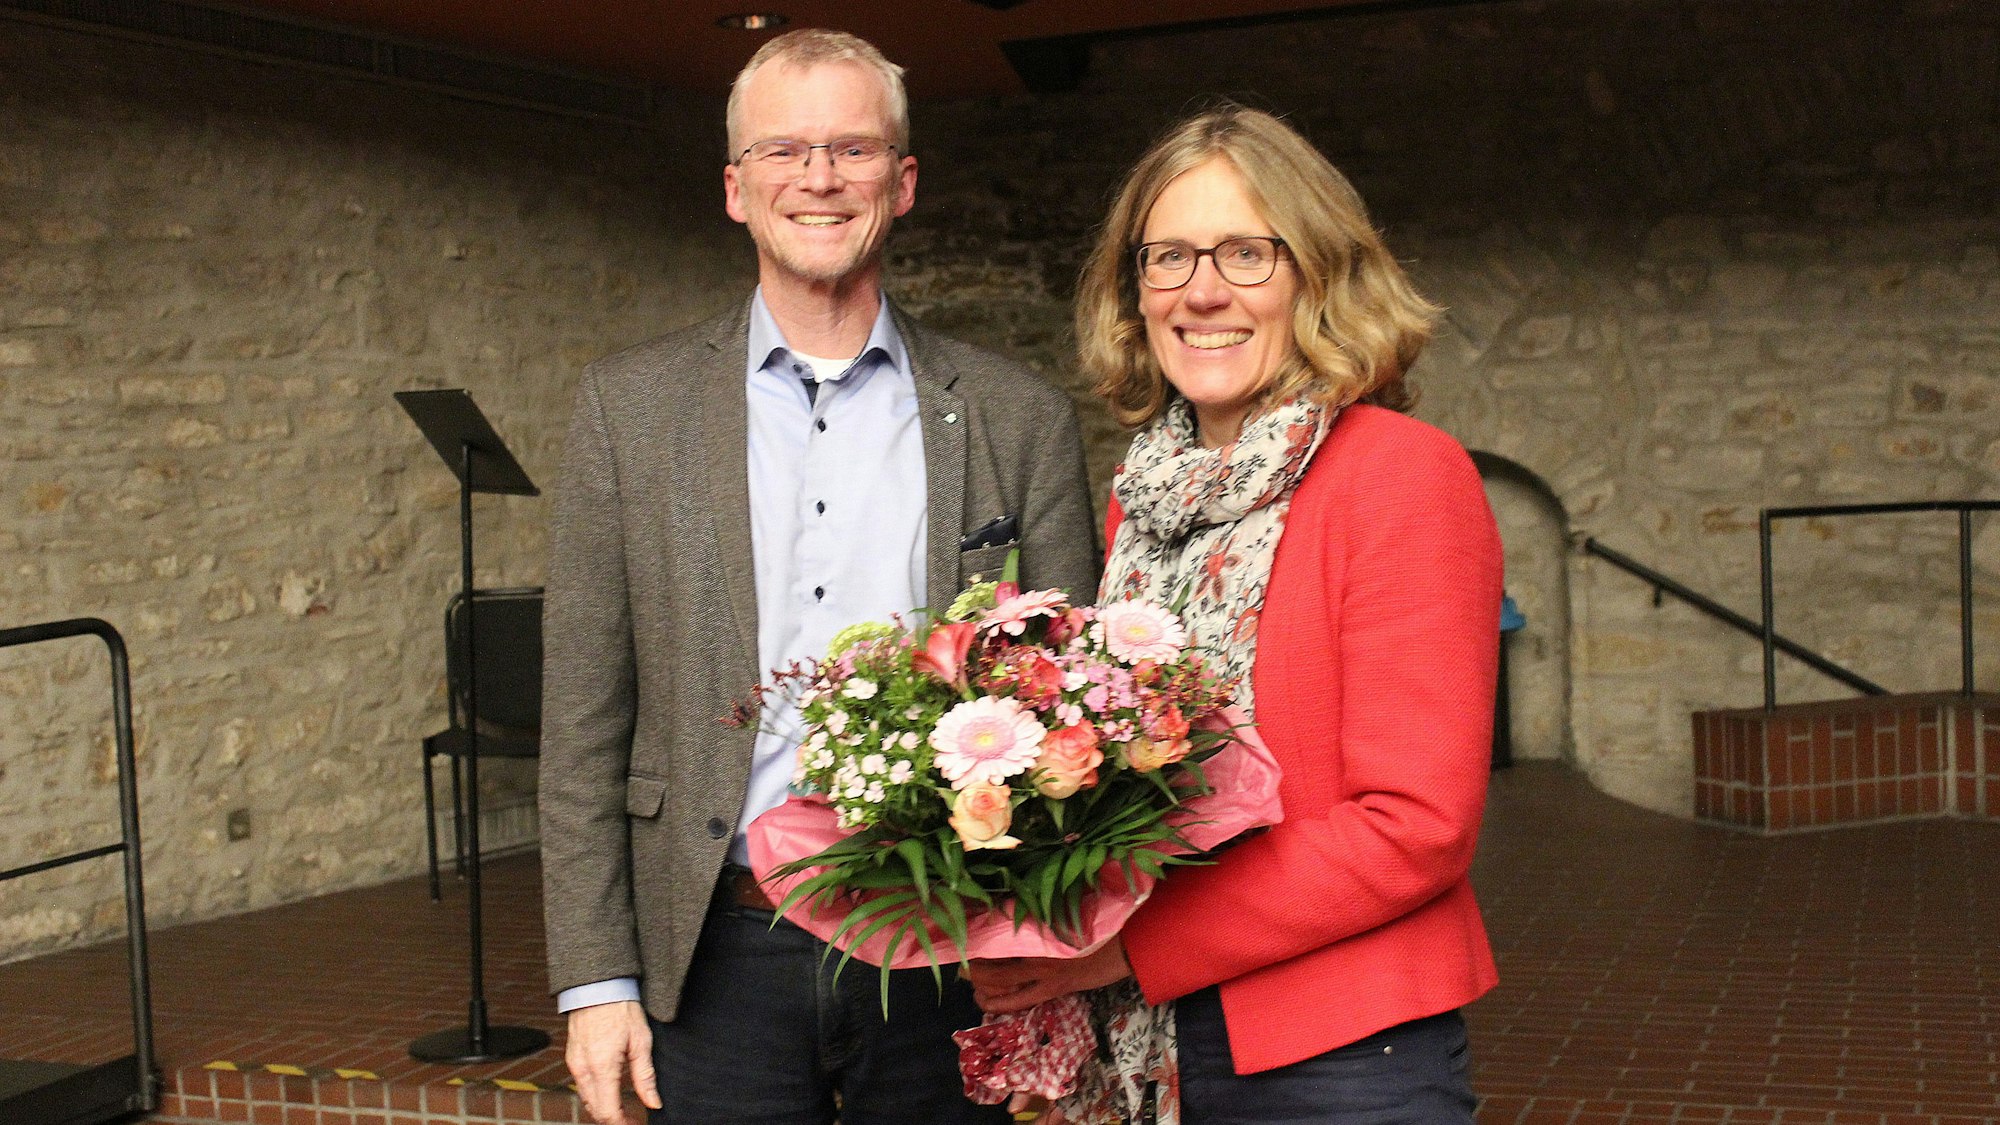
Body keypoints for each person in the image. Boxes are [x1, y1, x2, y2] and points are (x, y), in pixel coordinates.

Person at [538, 28, 1100, 1125]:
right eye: (784, 150)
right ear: (735, 188)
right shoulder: (629, 409)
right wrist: (596, 979)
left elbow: (1066, 720)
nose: (819, 177)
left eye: (852, 148)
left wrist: (1049, 950)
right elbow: (584, 719)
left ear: (903, 181)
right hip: (715, 941)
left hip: (948, 937)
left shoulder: (1017, 416)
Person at [966, 105, 1503, 1124]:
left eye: (1246, 253)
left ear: (1318, 275)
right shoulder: (1144, 494)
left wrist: (1126, 945)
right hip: (1152, 1032)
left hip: (1339, 1052)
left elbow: (1416, 825)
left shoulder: (1399, 475)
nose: (1201, 290)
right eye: (1167, 256)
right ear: (1134, 290)